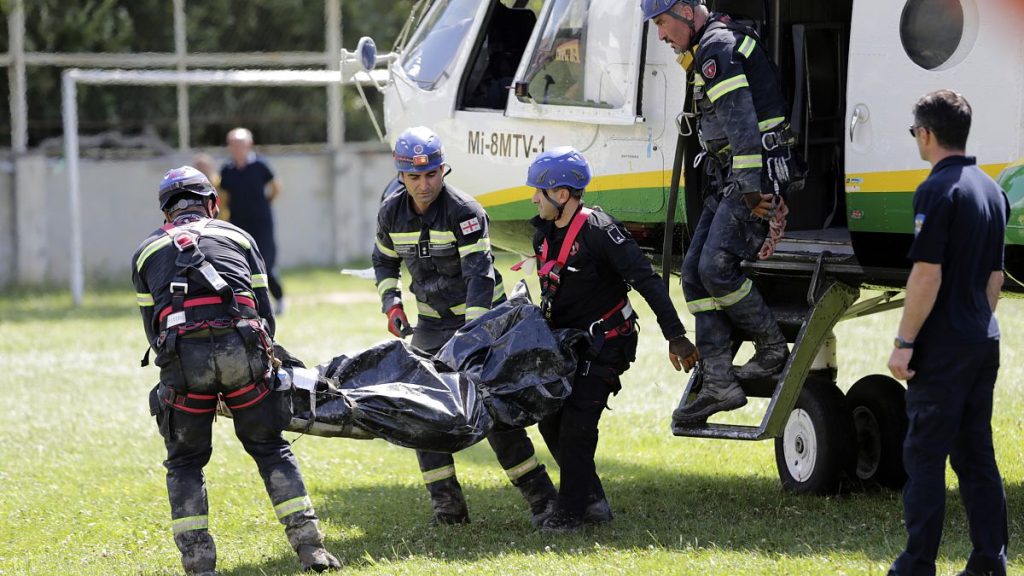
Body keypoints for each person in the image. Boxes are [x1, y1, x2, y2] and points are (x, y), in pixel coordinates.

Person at [132, 167, 341, 574]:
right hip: (241, 352)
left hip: (184, 363)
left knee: (185, 461)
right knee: (270, 447)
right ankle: (310, 548)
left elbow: (153, 330)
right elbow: (263, 313)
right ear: (212, 204)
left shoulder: (146, 251)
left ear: (166, 213)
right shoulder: (239, 236)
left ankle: (199, 565)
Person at [371, 126, 559, 526]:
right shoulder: (390, 212)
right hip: (431, 325)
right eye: (415, 177)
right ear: (400, 176)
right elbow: (384, 261)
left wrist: (472, 340)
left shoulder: (465, 211)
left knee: (494, 415)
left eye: (432, 174)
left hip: (483, 325)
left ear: (443, 170)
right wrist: (392, 303)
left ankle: (543, 503)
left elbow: (480, 276)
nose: (425, 185)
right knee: (423, 416)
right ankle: (448, 508)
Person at [522, 146, 699, 533]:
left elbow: (648, 282)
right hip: (565, 343)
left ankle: (569, 514)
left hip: (608, 342)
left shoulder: (602, 232)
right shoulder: (543, 235)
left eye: (540, 190)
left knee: (578, 423)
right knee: (550, 420)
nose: (534, 197)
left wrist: (677, 337)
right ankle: (591, 500)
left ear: (563, 195)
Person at [644, 0, 802, 424]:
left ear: (683, 11)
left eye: (662, 23)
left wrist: (753, 191)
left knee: (715, 268)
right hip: (730, 176)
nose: (661, 35)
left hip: (753, 176)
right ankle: (719, 383)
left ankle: (771, 351)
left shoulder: (716, 49)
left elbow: (743, 128)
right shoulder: (710, 47)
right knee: (694, 273)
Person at [886, 90, 1009, 576]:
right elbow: (994, 279)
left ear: (927, 134)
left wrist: (904, 343)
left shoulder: (936, 190)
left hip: (941, 349)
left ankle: (916, 565)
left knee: (925, 457)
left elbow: (927, 275)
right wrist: (974, 321)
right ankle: (988, 561)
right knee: (977, 455)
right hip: (982, 338)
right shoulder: (991, 189)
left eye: (915, 131)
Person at [219, 127, 286, 314]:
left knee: (266, 262)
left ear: (249, 145)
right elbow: (223, 196)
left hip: (261, 222)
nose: (235, 148)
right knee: (241, 264)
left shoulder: (260, 165)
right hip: (238, 223)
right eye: (232, 144)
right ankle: (250, 305)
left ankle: (279, 298)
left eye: (239, 144)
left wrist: (267, 201)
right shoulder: (227, 170)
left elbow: (275, 187)